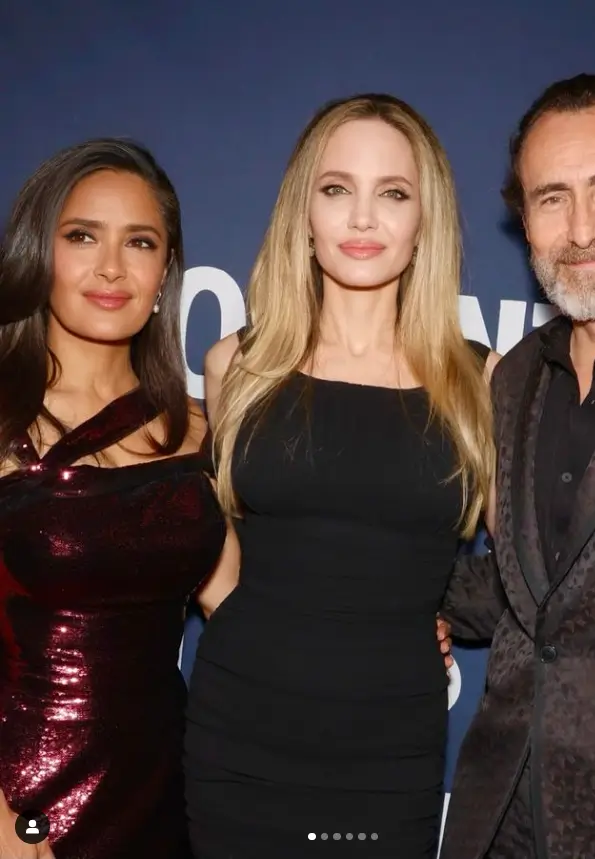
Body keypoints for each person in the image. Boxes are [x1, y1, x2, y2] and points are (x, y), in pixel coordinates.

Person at [185, 93, 499, 858]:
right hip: (238, 735)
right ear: (304, 212)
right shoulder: (240, 363)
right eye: (336, 190)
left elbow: (529, 570)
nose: (362, 220)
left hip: (389, 750)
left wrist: (433, 612)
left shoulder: (478, 378)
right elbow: (206, 538)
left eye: (392, 194)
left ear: (424, 220)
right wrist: (248, 619)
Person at [439, 74, 595, 859]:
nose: (581, 229)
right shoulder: (511, 380)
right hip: (502, 809)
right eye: (551, 198)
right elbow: (538, 591)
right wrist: (387, 590)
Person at [0, 139, 239, 859]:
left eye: (139, 242)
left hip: (164, 792)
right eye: (81, 237)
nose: (111, 267)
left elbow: (238, 607)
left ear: (166, 271)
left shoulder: (196, 429)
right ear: (39, 251)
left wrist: (389, 626)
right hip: (23, 804)